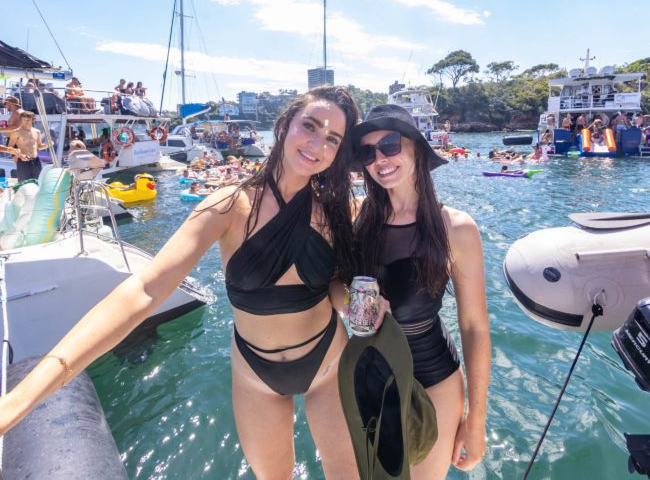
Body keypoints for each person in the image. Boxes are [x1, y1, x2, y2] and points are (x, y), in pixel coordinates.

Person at [0, 85, 372, 479]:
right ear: (283, 126)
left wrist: (349, 300)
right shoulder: (229, 206)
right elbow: (145, 289)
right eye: (310, 126)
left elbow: (337, 284)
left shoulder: (338, 211)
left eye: (332, 138)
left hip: (329, 364)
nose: (317, 144)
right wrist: (28, 392)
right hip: (256, 374)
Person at [351, 105, 490, 479]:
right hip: (370, 373)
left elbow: (474, 326)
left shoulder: (456, 229)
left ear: (416, 147)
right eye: (367, 152)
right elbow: (331, 283)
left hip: (433, 379)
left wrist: (475, 422)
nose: (379, 159)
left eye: (390, 144)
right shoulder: (357, 217)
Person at [7, 111, 49, 181]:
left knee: (38, 182)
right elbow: (9, 148)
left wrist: (48, 144)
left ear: (33, 120)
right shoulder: (16, 132)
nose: (26, 122)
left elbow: (39, 147)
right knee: (24, 183)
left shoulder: (37, 132)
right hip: (23, 161)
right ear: (21, 120)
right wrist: (18, 156)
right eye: (24, 120)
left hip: (36, 160)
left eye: (28, 120)